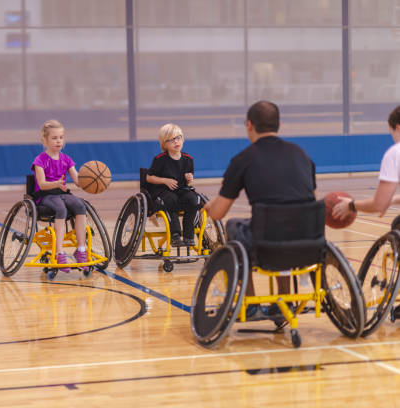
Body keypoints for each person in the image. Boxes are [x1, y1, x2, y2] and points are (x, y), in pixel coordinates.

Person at [204, 100, 317, 320]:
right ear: (279, 124)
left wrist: (209, 207)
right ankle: (285, 298)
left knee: (233, 226)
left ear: (249, 125)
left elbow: (217, 213)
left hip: (266, 241)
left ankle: (249, 304)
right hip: (307, 239)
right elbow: (311, 199)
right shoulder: (301, 155)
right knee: (284, 224)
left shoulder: (242, 160)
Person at [332, 105, 400, 319]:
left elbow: (378, 205)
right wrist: (392, 200)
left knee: (398, 227)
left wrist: (351, 206)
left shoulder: (395, 153)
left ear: (397, 128)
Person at [31, 119, 87, 272]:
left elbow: (77, 180)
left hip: (61, 193)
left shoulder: (66, 159)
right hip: (46, 195)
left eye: (61, 138)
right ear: (45, 140)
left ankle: (81, 250)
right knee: (61, 209)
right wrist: (56, 183)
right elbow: (41, 184)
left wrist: (90, 181)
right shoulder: (40, 160)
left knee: (80, 205)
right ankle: (59, 253)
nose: (58, 141)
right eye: (54, 138)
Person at [146, 123, 203, 247]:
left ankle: (189, 235)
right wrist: (165, 181)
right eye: (171, 140)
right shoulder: (160, 159)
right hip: (163, 192)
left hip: (181, 190)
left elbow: (189, 182)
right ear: (164, 144)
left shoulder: (188, 159)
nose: (176, 142)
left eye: (178, 138)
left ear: (182, 139)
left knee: (195, 199)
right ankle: (175, 235)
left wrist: (189, 178)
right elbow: (149, 177)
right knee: (171, 201)